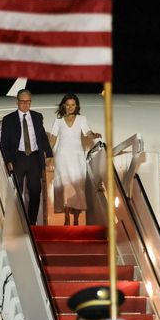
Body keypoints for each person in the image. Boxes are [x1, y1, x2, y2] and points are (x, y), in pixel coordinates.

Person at [0, 89, 53, 225]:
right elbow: (4, 143)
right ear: (17, 102)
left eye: (28, 102)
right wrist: (8, 161)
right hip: (18, 158)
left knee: (35, 192)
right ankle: (16, 223)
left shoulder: (37, 116)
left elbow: (42, 137)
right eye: (23, 101)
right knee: (15, 192)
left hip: (34, 158)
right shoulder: (8, 119)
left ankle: (31, 223)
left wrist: (49, 154)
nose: (25, 104)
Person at [49, 93, 101, 225]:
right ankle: (66, 217)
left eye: (73, 105)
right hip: (62, 156)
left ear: (76, 106)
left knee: (78, 186)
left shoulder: (81, 119)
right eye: (68, 105)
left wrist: (93, 134)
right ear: (64, 106)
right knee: (66, 186)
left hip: (77, 155)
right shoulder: (58, 121)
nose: (70, 107)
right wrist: (48, 154)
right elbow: (53, 138)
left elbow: (87, 132)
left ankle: (76, 219)